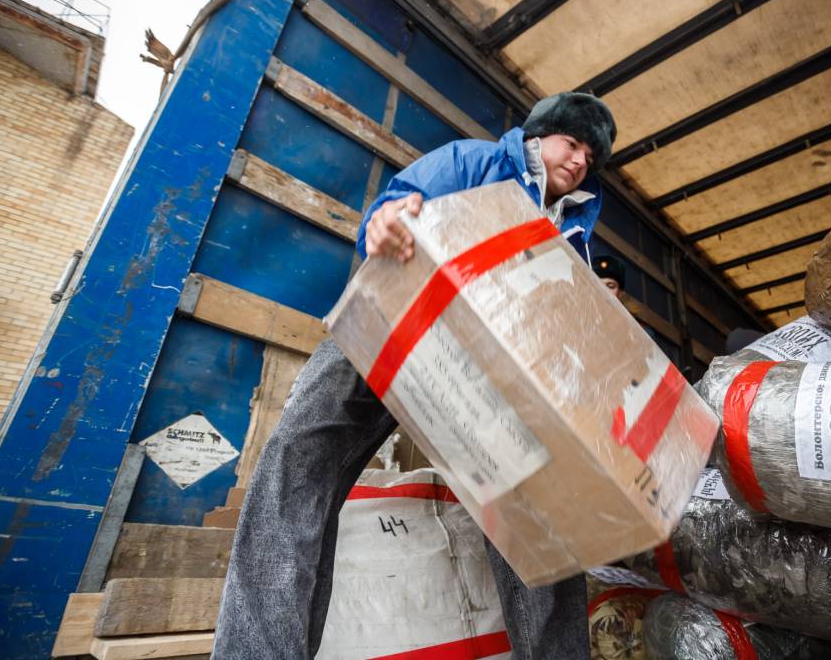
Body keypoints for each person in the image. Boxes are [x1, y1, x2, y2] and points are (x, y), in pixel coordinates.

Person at [212, 92, 616, 660]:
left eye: (590, 158)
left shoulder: (573, 234)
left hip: (482, 371)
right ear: (538, 136)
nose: (578, 161)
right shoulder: (475, 162)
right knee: (299, 459)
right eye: (571, 143)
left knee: (540, 511)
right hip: (398, 317)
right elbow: (399, 203)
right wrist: (385, 223)